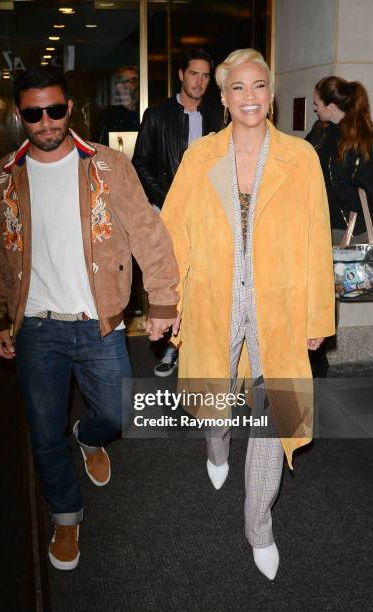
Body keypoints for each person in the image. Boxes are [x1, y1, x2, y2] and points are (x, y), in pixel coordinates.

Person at [0, 67, 179, 571]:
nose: (45, 122)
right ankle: (66, 518)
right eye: (32, 113)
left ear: (71, 109)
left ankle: (88, 437)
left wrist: (163, 301)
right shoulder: (2, 176)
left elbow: (148, 234)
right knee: (44, 432)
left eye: (54, 110)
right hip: (37, 326)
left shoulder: (108, 166)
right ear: (19, 116)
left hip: (99, 322)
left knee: (116, 411)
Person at [161, 49, 335, 580]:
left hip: (278, 305)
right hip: (212, 296)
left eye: (259, 86)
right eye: (238, 88)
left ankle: (259, 524)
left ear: (272, 93)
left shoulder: (300, 158)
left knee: (274, 413)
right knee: (214, 394)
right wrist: (167, 304)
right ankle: (217, 450)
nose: (250, 97)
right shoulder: (200, 156)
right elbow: (173, 235)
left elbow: (315, 242)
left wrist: (315, 319)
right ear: (223, 97)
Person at [133, 48, 223, 377]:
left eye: (205, 75)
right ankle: (172, 348)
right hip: (169, 214)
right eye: (194, 74)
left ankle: (203, 349)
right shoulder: (157, 115)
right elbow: (140, 162)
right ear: (181, 74)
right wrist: (169, 199)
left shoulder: (219, 113)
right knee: (174, 282)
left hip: (212, 216)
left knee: (205, 284)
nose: (199, 81)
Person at [306, 76, 373, 244]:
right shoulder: (319, 130)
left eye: (317, 104)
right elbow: (300, 154)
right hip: (320, 223)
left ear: (331, 106)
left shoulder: (362, 139)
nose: (315, 109)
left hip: (353, 229)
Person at [99, 65, 140, 145]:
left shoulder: (144, 110)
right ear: (120, 86)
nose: (137, 85)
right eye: (133, 80)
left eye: (138, 80)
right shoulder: (108, 115)